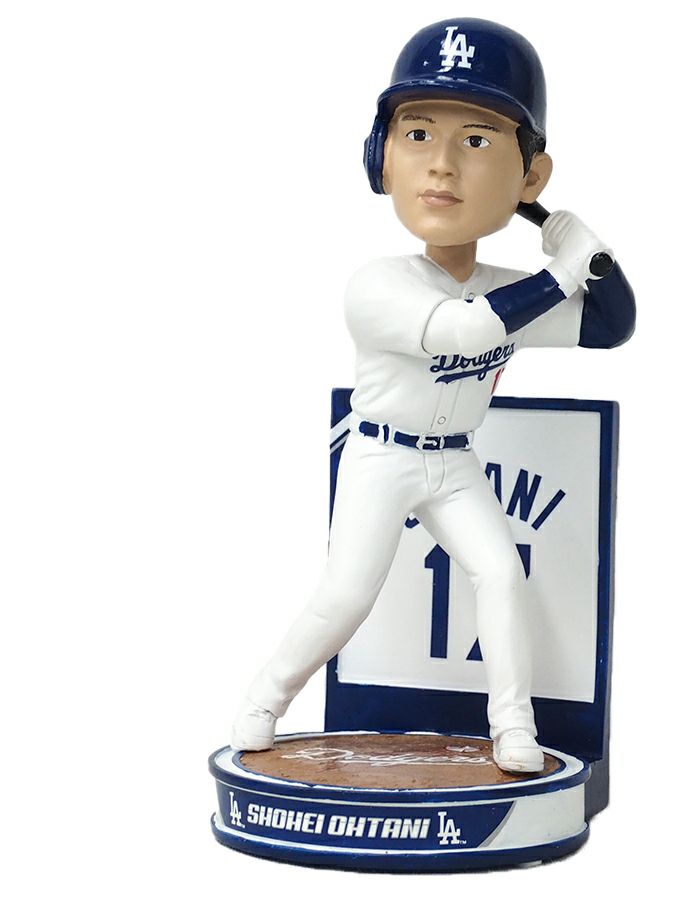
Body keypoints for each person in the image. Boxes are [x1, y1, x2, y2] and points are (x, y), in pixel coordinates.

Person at [231, 18, 636, 772]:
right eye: (417, 135)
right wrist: (560, 273)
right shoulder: (375, 285)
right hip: (380, 457)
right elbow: (465, 330)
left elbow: (611, 328)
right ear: (380, 157)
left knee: (501, 574)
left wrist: (581, 247)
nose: (442, 165)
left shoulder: (505, 286)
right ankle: (263, 699)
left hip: (453, 463)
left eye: (477, 141)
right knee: (347, 596)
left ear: (529, 176)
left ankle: (512, 726)